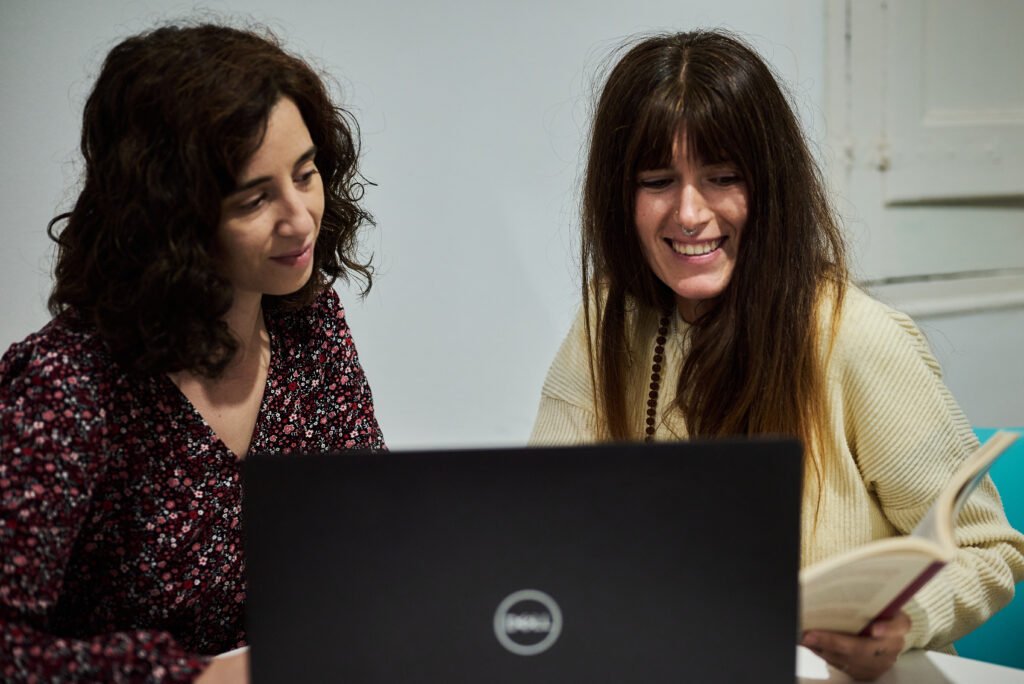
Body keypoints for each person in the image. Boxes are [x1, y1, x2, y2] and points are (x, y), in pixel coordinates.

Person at [529, 29, 1024, 681]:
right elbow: (536, 531)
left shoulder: (857, 338)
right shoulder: (605, 322)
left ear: (771, 186)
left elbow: (990, 551)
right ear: (619, 200)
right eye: (656, 181)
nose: (690, 212)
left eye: (723, 178)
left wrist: (908, 622)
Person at [0, 22, 385, 683]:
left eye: (306, 173)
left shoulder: (309, 327)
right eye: (255, 198)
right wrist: (204, 677)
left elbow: (379, 535)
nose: (300, 218)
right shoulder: (66, 384)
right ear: (170, 219)